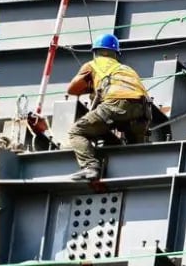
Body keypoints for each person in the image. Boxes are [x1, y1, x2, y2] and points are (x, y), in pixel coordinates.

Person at [64, 34, 152, 181]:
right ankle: (137, 168)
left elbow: (72, 89)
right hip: (143, 112)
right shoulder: (125, 68)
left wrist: (90, 85)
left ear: (95, 51)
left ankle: (90, 167)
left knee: (76, 132)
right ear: (116, 54)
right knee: (134, 150)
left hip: (116, 104)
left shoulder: (93, 64)